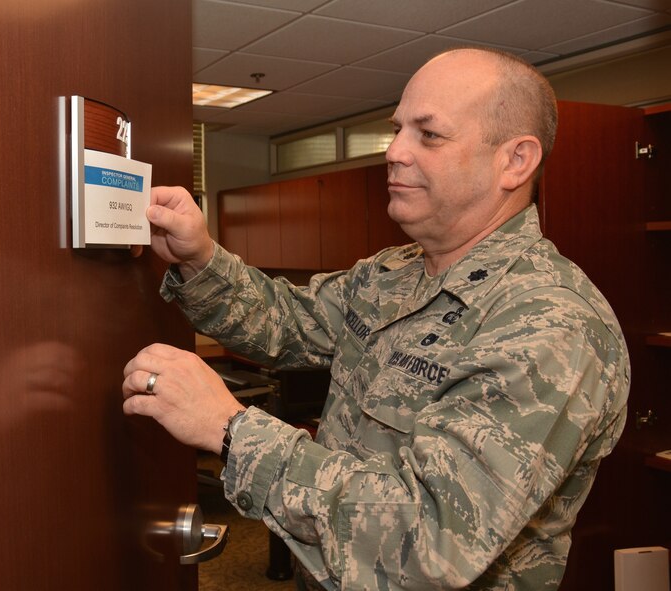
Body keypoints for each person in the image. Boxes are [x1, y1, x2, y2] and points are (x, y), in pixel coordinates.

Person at [122, 47, 630, 590]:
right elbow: (288, 322)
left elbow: (433, 540)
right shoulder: (393, 272)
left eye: (428, 135)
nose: (393, 151)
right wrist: (199, 256)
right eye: (396, 130)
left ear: (515, 161)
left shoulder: (552, 323)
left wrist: (230, 429)